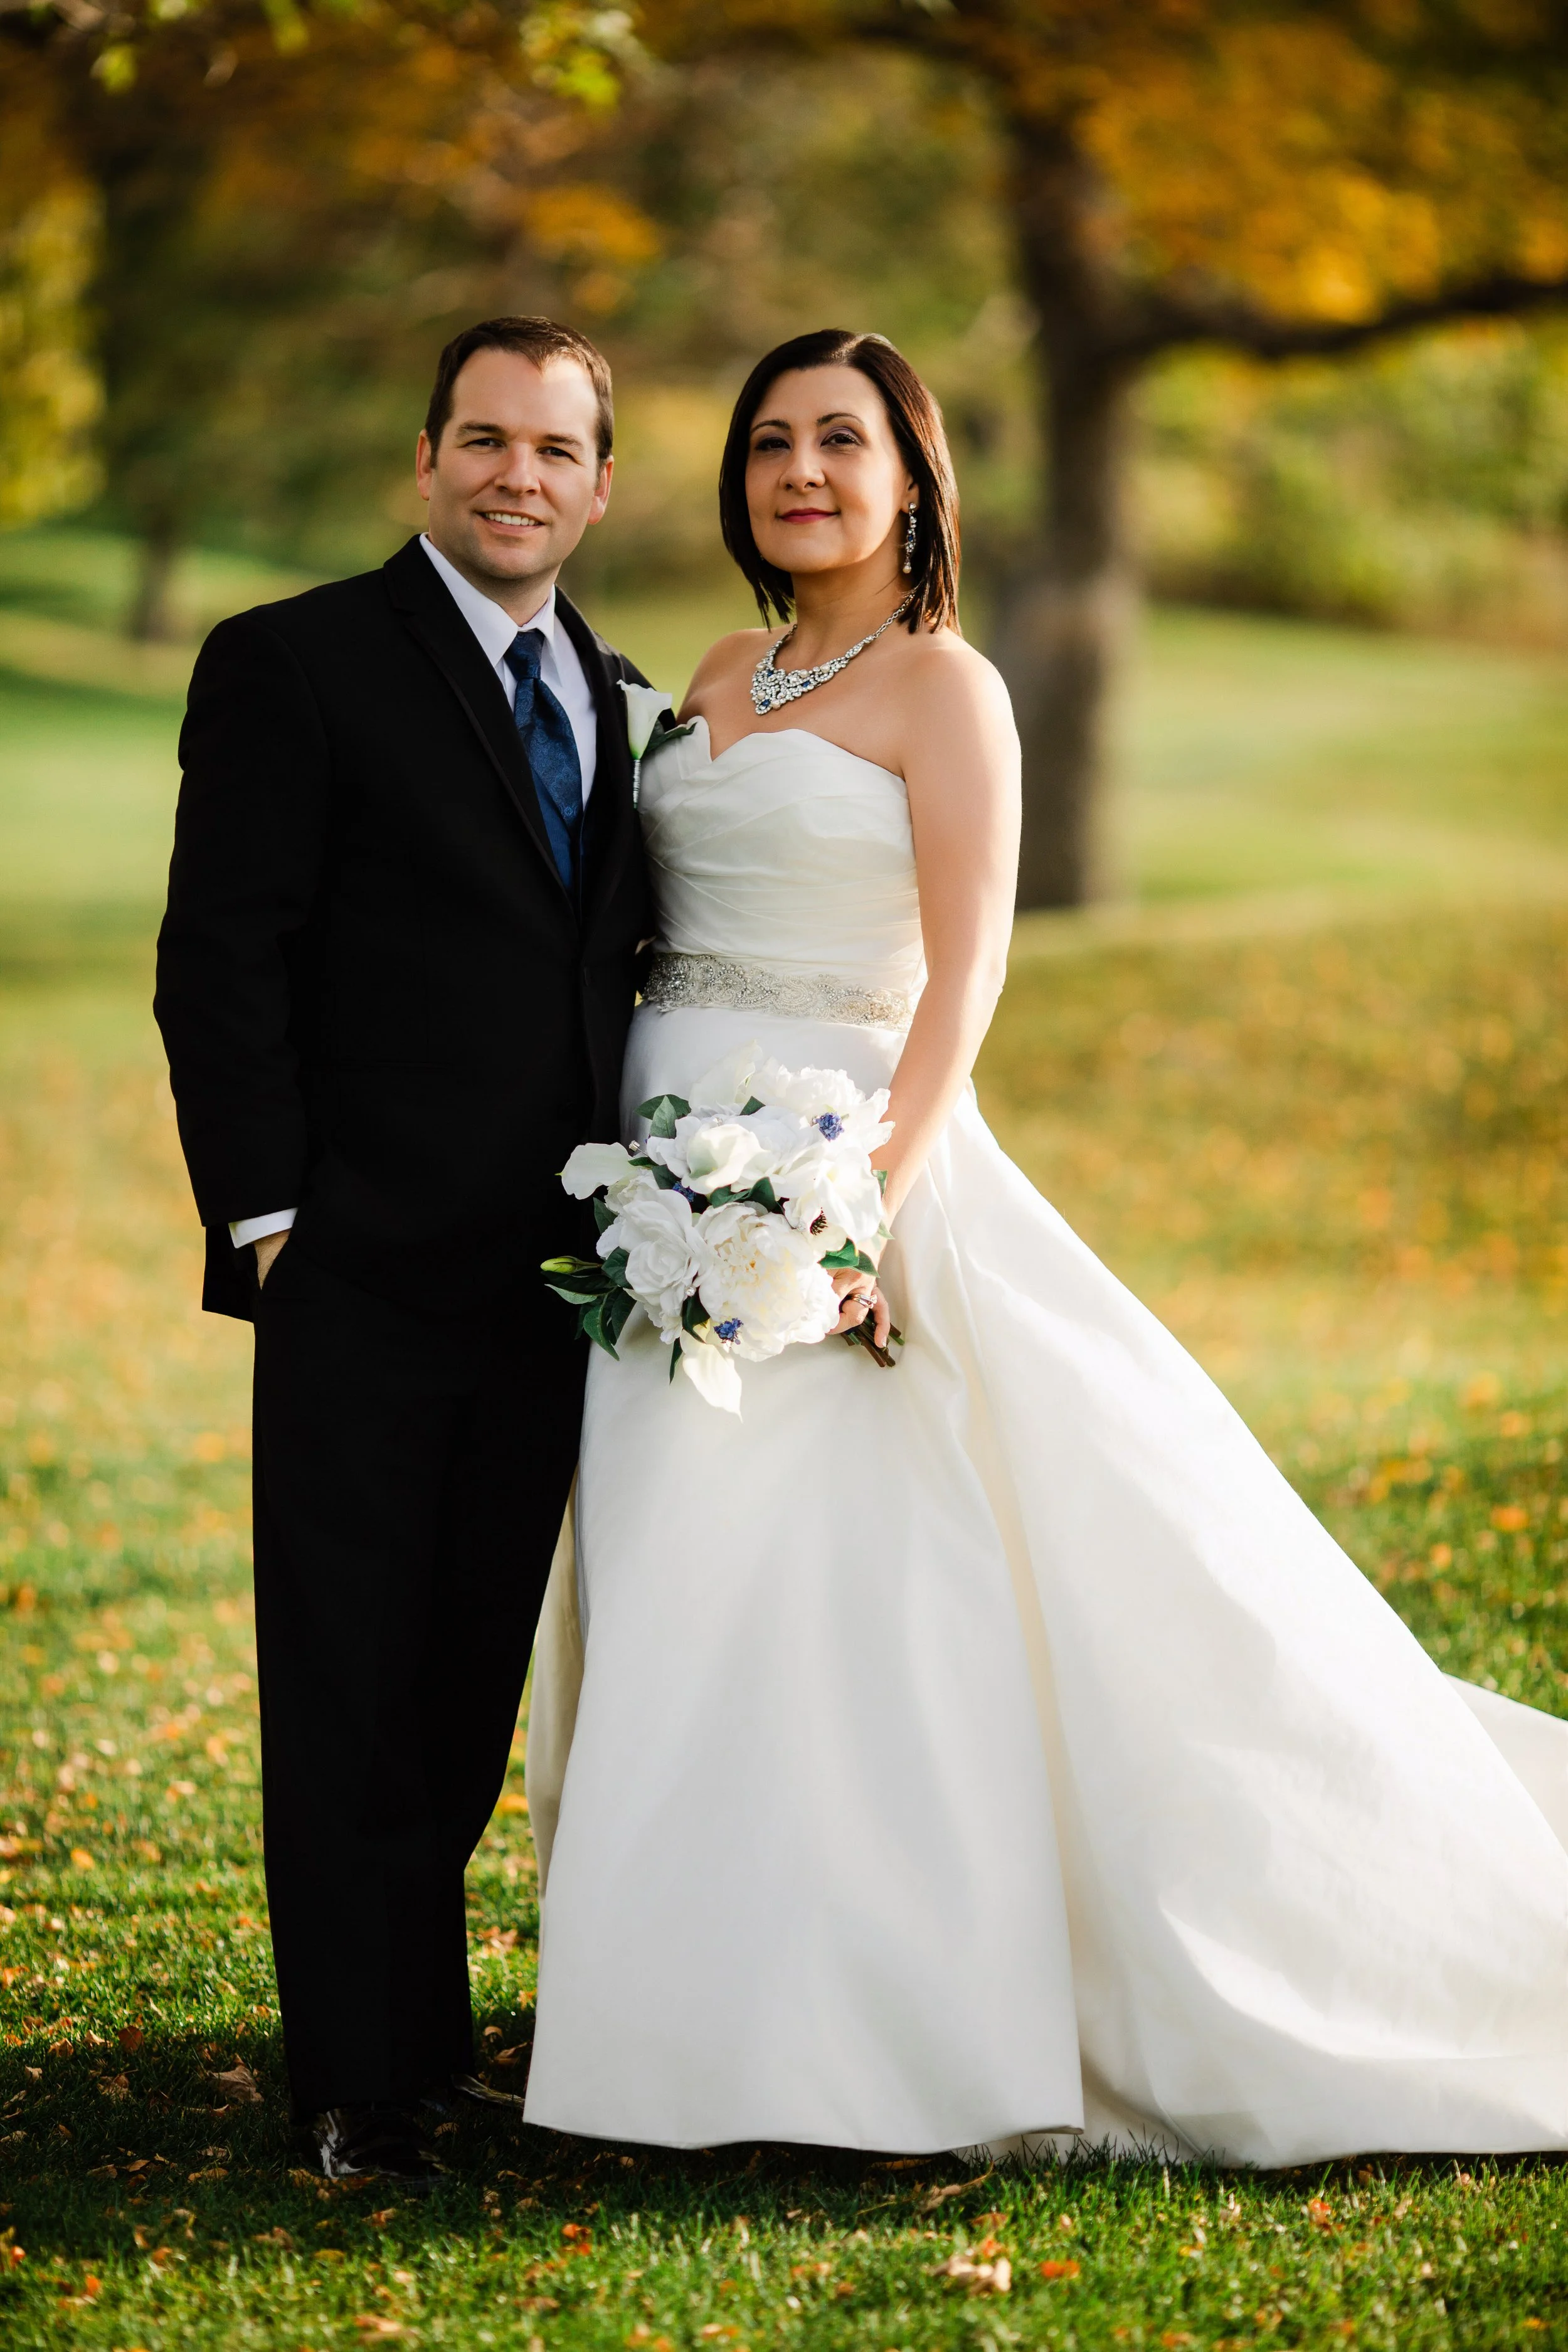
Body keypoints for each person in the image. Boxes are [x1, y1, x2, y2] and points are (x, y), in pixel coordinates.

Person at [521, 326, 1568, 2166]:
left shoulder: (949, 689)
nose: (801, 473)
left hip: (842, 1164)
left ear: (914, 475)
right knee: (690, 1574)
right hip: (661, 1174)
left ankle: (894, 2029)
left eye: (842, 441)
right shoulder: (712, 668)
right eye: (771, 443)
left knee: (874, 1597)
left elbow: (967, 971)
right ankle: (698, 2031)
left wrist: (855, 1209)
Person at [154, 316, 650, 2183]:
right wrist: (272, 1221)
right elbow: (221, 955)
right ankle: (357, 2088)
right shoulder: (293, 661)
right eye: (486, 438)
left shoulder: (607, 690)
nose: (518, 473)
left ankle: (423, 2046)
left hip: (559, 1283)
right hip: (360, 1265)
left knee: (459, 1681)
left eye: (556, 448)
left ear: (600, 486)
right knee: (353, 1672)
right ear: (425, 458)